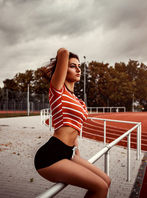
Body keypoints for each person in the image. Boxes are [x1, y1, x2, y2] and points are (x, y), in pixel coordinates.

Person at [34, 48, 111, 198]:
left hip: (69, 153)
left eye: (79, 66)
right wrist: (65, 58)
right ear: (63, 69)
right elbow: (63, 52)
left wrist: (77, 153)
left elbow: (75, 126)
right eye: (72, 66)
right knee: (100, 187)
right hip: (51, 155)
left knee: (106, 181)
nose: (78, 70)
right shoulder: (57, 91)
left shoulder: (78, 101)